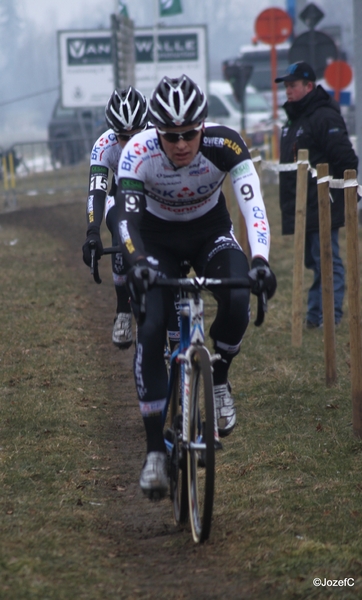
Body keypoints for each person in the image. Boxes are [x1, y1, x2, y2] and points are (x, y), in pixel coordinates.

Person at [114, 74, 277, 499]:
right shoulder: (138, 152)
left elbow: (253, 205)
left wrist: (260, 261)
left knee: (238, 294)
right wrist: (135, 262)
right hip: (156, 241)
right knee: (150, 329)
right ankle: (154, 452)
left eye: (190, 133)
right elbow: (126, 220)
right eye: (171, 135)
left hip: (210, 234)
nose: (182, 143)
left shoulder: (226, 145)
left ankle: (218, 376)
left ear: (203, 126)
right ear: (156, 132)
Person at [275, 61, 358, 328]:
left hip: (322, 203)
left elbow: (346, 159)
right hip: (303, 206)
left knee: (327, 260)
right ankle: (314, 315)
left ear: (309, 86)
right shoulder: (293, 118)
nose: (288, 91)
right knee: (314, 261)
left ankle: (329, 317)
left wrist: (343, 196)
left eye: (293, 85)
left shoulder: (324, 117)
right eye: (286, 86)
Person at [82, 87, 149, 348]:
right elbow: (96, 191)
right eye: (123, 136)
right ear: (113, 132)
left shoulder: (160, 135)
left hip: (154, 196)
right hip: (120, 196)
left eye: (137, 134)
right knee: (122, 231)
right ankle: (123, 309)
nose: (131, 142)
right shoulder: (104, 145)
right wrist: (92, 231)